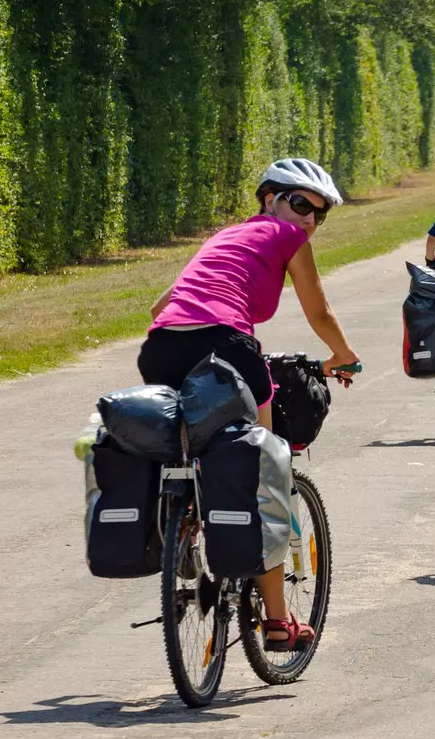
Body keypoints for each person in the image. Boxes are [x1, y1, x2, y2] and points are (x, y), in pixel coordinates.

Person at [140, 157, 362, 653]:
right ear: (270, 198)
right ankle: (280, 622)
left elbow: (160, 309)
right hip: (228, 346)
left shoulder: (221, 238)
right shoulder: (288, 239)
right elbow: (319, 310)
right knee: (266, 468)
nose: (309, 220)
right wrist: (344, 355)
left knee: (192, 446)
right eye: (302, 204)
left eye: (319, 215)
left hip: (160, 348)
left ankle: (184, 524)